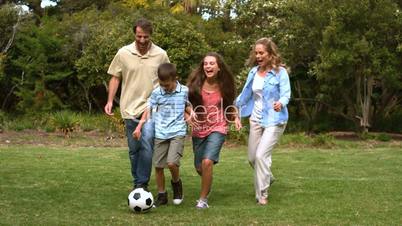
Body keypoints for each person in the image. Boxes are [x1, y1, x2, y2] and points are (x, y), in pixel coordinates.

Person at [104, 18, 170, 191]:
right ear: (135, 34)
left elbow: (168, 78)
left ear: (151, 36)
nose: (142, 41)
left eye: (146, 37)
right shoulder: (123, 53)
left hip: (152, 107)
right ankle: (138, 181)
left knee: (147, 142)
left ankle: (141, 184)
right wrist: (110, 100)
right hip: (129, 107)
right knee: (134, 150)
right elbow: (115, 77)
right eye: (139, 36)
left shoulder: (161, 54)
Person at [235, 37, 291, 205]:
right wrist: (236, 112)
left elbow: (286, 93)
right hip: (256, 119)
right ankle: (268, 176)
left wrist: (280, 103)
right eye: (256, 53)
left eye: (262, 53)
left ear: (270, 54)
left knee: (261, 155)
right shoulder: (253, 72)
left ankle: (262, 194)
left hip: (275, 119)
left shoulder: (280, 72)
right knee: (253, 158)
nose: (258, 56)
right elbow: (245, 94)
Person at [133, 63, 194, 206]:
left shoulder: (183, 90)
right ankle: (162, 195)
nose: (164, 87)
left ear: (175, 78)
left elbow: (187, 105)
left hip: (177, 131)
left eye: (167, 84)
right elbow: (148, 110)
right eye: (162, 84)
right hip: (161, 132)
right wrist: (139, 126)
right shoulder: (156, 93)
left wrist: (192, 113)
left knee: (172, 163)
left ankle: (176, 184)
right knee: (159, 166)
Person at [187, 52, 242, 209]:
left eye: (212, 63)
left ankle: (203, 200)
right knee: (200, 167)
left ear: (219, 67)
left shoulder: (225, 86)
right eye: (205, 64)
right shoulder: (194, 85)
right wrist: (188, 114)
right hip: (199, 129)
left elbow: (230, 107)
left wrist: (236, 118)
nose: (208, 66)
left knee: (207, 162)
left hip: (218, 126)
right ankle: (207, 180)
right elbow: (185, 104)